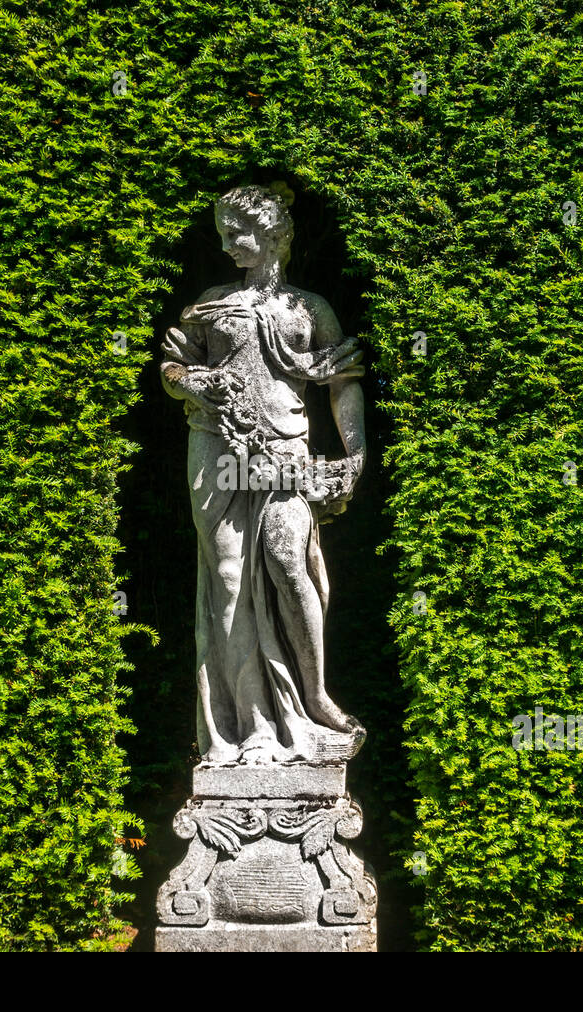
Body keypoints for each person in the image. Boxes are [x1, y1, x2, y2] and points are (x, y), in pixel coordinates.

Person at [159, 183, 367, 765]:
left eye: (237, 232)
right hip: (218, 452)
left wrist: (354, 456)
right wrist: (193, 382)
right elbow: (173, 367)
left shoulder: (309, 309)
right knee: (227, 578)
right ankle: (249, 722)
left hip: (286, 452)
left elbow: (342, 382)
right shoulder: (211, 303)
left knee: (287, 563)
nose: (226, 245)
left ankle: (317, 698)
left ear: (273, 232)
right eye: (221, 233)